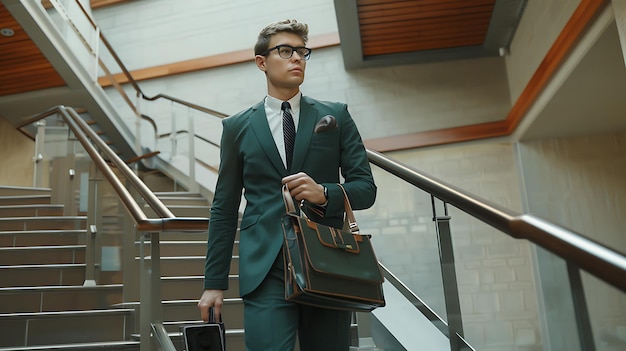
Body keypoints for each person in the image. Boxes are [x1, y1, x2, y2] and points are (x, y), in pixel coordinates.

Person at [197, 19, 377, 351]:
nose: (297, 58)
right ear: (261, 62)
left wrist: (325, 193)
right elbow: (223, 207)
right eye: (286, 51)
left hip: (327, 262)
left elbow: (366, 188)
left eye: (302, 52)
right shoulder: (237, 127)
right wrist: (214, 283)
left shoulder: (336, 116)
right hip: (265, 267)